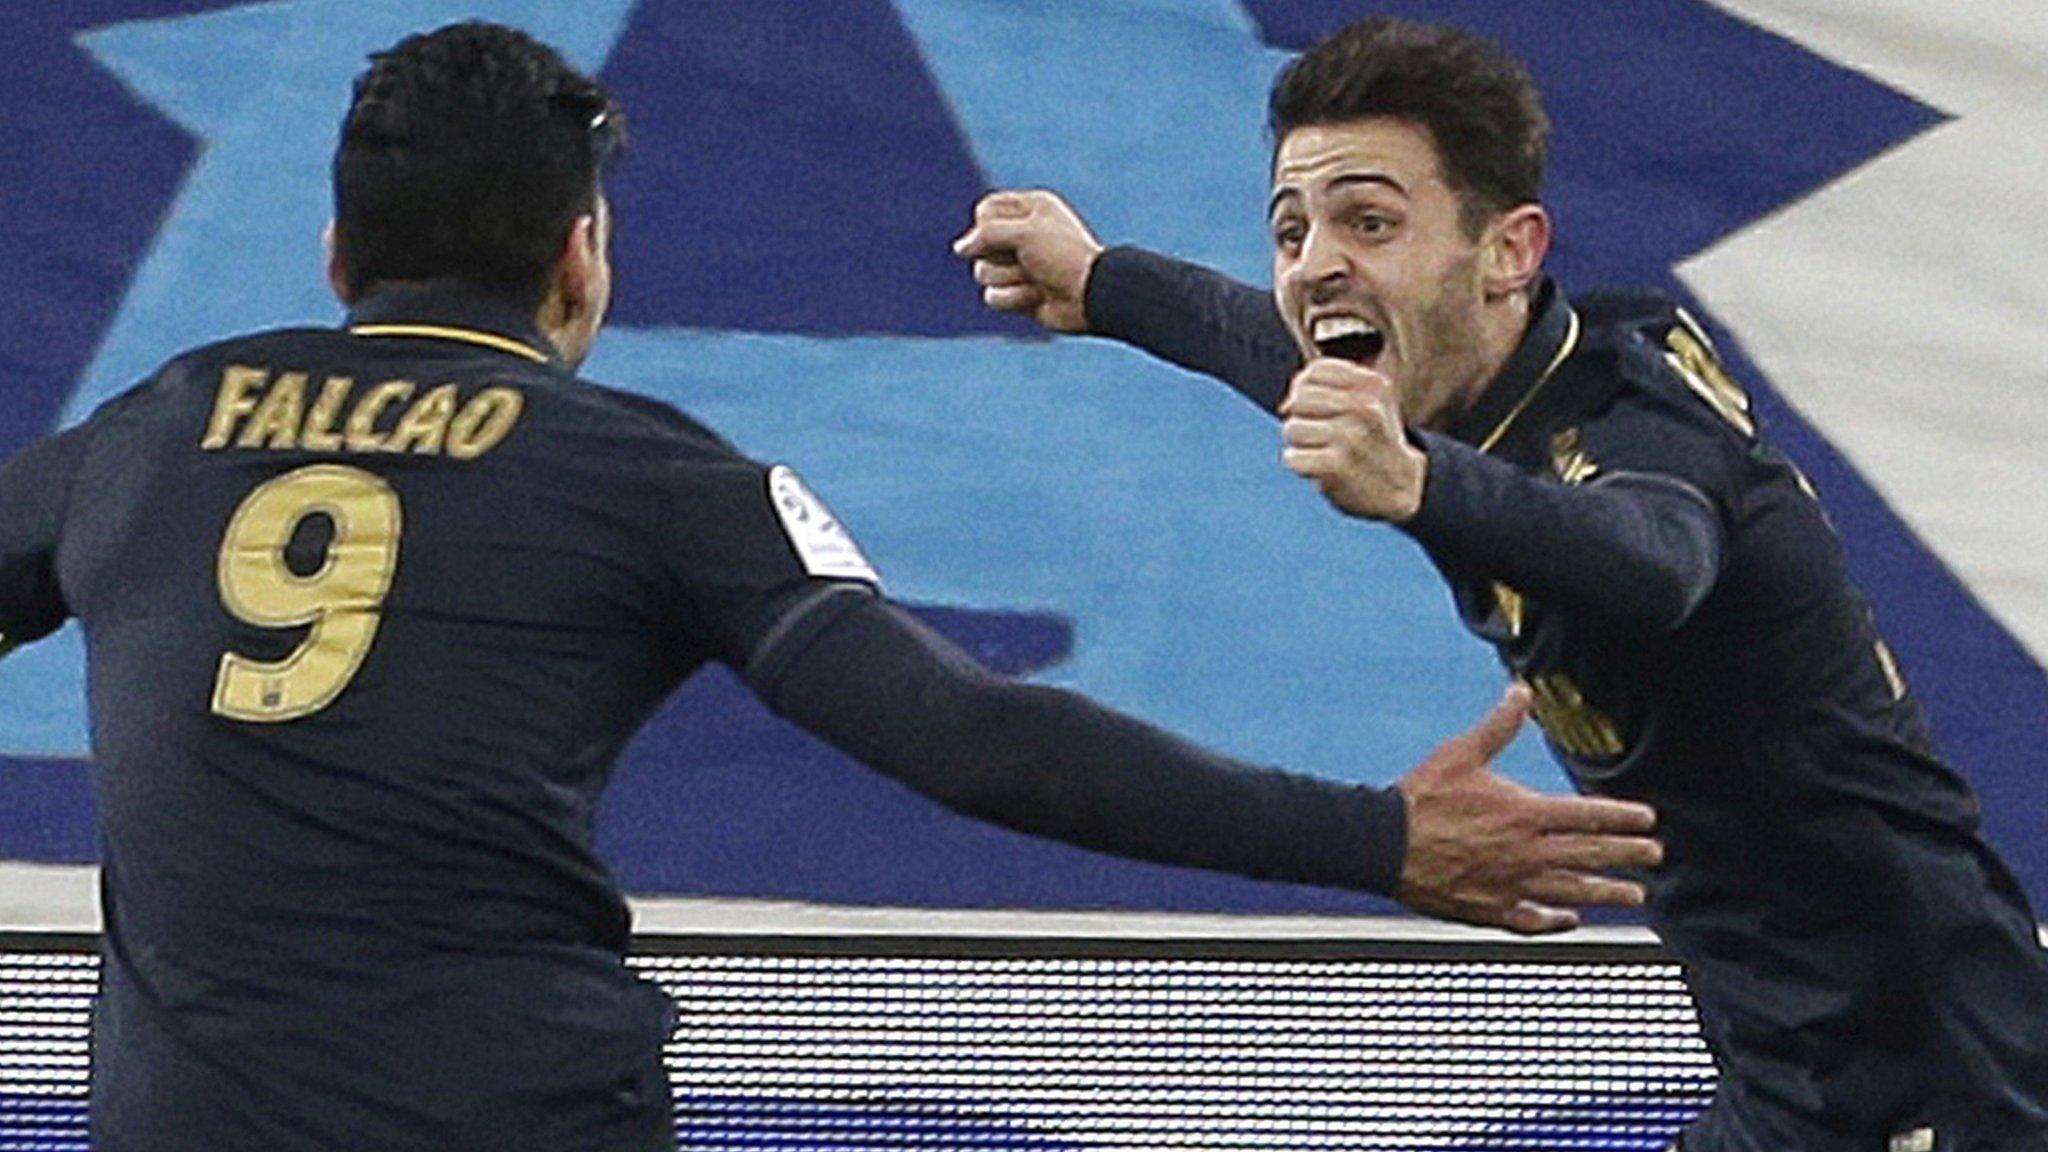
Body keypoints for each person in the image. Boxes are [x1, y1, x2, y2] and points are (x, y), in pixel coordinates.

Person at [0, 21, 1667, 1152]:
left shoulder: (142, 437)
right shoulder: (654, 478)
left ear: (336, 261)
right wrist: (1373, 836)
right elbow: (970, 739)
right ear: (582, 254)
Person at [953, 15, 2048, 1152]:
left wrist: (1418, 485)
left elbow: (1655, 562)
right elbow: (1272, 350)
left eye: (1367, 221)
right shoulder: (1467, 381)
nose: (1314, 261)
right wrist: (1101, 282)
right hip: (1791, 1067)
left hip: (1941, 1073)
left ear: (1508, 251)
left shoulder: (1625, 424)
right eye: (1291, 229)